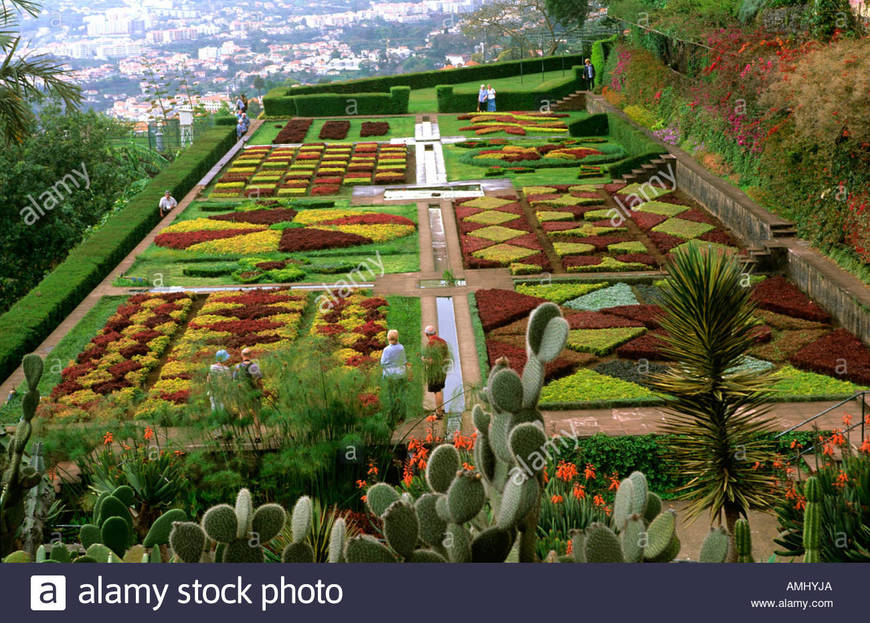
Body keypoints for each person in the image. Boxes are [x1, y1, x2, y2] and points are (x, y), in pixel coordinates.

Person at [380, 329, 410, 424]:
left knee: (391, 395)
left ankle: (393, 416)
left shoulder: (386, 350)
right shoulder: (401, 348)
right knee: (401, 394)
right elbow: (404, 361)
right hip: (401, 374)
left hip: (390, 375)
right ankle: (402, 416)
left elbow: (383, 363)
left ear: (388, 338)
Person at [422, 325, 451, 419]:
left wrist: (423, 360)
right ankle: (440, 410)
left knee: (437, 391)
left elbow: (431, 361)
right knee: (439, 389)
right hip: (443, 369)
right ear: (435, 333)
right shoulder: (443, 342)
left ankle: (438, 413)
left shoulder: (430, 344)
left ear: (426, 334)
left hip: (435, 371)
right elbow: (447, 356)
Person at [233, 347, 263, 431]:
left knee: (242, 412)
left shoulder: (238, 367)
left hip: (242, 393)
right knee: (256, 413)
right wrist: (261, 391)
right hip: (254, 392)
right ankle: (257, 435)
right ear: (251, 355)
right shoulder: (254, 366)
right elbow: (259, 381)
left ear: (242, 355)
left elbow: (235, 381)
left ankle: (242, 435)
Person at [207, 350, 232, 414]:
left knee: (213, 406)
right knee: (222, 407)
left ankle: (215, 422)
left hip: (213, 390)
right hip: (222, 391)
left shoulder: (211, 367)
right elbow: (228, 381)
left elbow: (208, 379)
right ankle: (222, 422)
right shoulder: (226, 369)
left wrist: (209, 388)